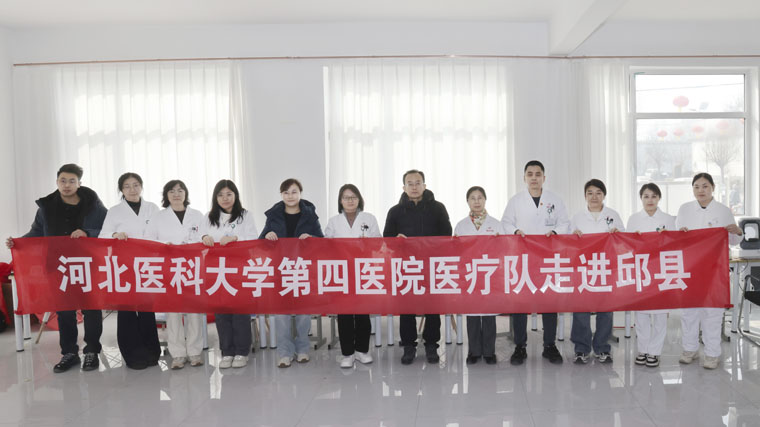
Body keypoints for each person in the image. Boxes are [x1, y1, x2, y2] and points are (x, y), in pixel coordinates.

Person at [6, 164, 107, 373]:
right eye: (63, 180)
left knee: (91, 309)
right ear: (57, 182)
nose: (67, 185)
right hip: (59, 265)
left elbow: (107, 228)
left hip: (87, 264)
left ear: (79, 183)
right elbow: (36, 233)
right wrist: (18, 242)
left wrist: (87, 232)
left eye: (72, 181)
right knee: (64, 311)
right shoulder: (46, 207)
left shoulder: (93, 204)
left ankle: (91, 351)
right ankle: (69, 353)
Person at [501, 160, 569, 365]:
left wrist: (555, 232)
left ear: (544, 178)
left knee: (549, 301)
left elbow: (565, 223)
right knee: (520, 302)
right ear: (524, 178)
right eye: (529, 174)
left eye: (538, 174)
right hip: (523, 258)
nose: (534, 178)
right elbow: (506, 222)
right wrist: (515, 231)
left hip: (548, 258)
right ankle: (520, 346)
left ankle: (550, 345)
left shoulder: (555, 200)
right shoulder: (515, 201)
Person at [383, 169, 452, 365]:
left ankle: (431, 345)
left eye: (418, 183)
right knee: (407, 307)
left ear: (424, 185)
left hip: (431, 265)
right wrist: (396, 239)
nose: (414, 187)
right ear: (403, 187)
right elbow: (387, 239)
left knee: (432, 306)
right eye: (410, 183)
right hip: (406, 266)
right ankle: (408, 346)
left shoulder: (438, 208)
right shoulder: (395, 211)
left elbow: (447, 234)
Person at [676, 172, 742, 369]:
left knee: (712, 312)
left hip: (715, 270)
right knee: (689, 312)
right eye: (696, 186)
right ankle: (690, 349)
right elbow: (677, 239)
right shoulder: (685, 209)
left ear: (713, 187)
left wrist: (737, 232)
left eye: (705, 186)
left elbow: (733, 240)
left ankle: (712, 354)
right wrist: (680, 234)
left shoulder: (723, 211)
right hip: (690, 268)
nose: (701, 190)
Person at [259, 178, 324, 368]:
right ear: (281, 195)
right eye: (286, 192)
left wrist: (311, 238)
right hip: (280, 270)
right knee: (282, 315)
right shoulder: (273, 215)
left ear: (300, 193)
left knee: (304, 313)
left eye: (294, 192)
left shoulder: (310, 215)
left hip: (303, 270)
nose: (290, 196)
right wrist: (267, 236)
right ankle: (285, 353)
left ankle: (303, 349)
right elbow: (261, 241)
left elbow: (322, 241)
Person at [99, 172, 160, 370]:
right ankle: (132, 355)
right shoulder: (114, 211)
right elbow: (102, 236)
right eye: (127, 186)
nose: (132, 189)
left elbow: (160, 234)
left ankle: (152, 352)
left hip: (147, 265)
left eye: (136, 185)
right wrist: (115, 234)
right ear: (121, 190)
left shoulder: (152, 208)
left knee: (146, 309)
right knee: (127, 310)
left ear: (141, 186)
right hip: (124, 265)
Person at [144, 180, 206, 370]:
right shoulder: (158, 217)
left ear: (186, 193)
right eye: (172, 191)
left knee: (194, 311)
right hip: (169, 268)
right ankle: (178, 354)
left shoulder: (198, 215)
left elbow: (205, 239)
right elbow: (149, 241)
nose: (176, 194)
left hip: (192, 267)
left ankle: (195, 352)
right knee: (173, 312)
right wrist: (164, 247)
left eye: (180, 190)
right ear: (166, 195)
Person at [200, 179, 258, 369]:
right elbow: (198, 236)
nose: (225, 198)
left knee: (240, 312)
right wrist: (204, 237)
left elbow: (253, 238)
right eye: (220, 195)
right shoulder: (208, 217)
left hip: (239, 268)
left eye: (229, 194)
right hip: (216, 270)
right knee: (222, 313)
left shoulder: (245, 215)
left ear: (235, 196)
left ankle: (241, 351)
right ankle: (227, 352)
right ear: (215, 197)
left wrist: (235, 238)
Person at [324, 184, 382, 368]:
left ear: (359, 199)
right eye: (346, 197)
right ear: (340, 201)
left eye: (353, 197)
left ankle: (362, 350)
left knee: (363, 313)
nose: (350, 201)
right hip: (342, 272)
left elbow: (379, 243)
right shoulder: (334, 221)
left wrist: (368, 243)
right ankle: (347, 353)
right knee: (345, 314)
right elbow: (326, 246)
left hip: (364, 270)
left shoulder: (369, 218)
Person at [570, 179, 625, 365]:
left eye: (598, 193)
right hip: (583, 269)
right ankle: (581, 349)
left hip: (606, 269)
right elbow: (567, 243)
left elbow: (624, 240)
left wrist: (617, 234)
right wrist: (573, 236)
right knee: (581, 310)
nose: (594, 197)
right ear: (585, 196)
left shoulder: (613, 215)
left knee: (605, 310)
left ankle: (602, 348)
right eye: (590, 193)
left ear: (604, 195)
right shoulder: (577, 217)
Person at [627, 183, 676, 368]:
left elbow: (674, 244)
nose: (650, 200)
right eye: (646, 196)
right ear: (641, 198)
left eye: (654, 196)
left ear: (659, 198)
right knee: (641, 314)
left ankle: (654, 352)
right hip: (641, 270)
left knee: (660, 315)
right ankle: (643, 350)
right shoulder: (633, 219)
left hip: (661, 270)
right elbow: (627, 244)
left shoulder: (668, 219)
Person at [454, 186, 504, 365]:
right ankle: (474, 352)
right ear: (467, 202)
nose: (476, 201)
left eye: (480, 197)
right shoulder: (461, 225)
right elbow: (456, 251)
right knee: (473, 313)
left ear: (485, 200)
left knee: (489, 313)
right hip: (470, 274)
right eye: (473, 198)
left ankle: (489, 352)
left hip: (490, 274)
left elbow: (504, 250)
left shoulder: (496, 225)